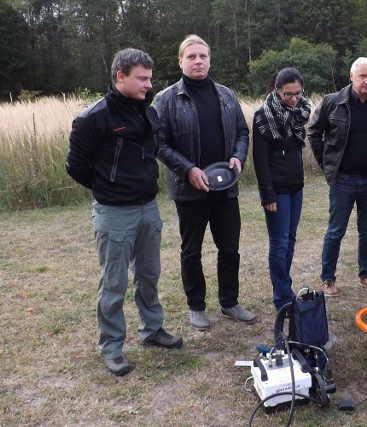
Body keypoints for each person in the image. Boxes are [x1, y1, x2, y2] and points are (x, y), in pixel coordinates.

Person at [66, 48, 183, 377]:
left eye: (150, 77)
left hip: (148, 208)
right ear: (121, 77)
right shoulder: (93, 118)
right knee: (114, 282)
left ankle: (152, 330)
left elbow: (153, 150)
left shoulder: (148, 112)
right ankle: (112, 346)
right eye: (142, 78)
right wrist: (109, 187)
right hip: (114, 212)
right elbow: (76, 167)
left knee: (149, 274)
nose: (149, 84)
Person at [154, 35, 256, 330]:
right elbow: (159, 144)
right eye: (191, 57)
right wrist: (188, 170)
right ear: (180, 61)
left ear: (209, 60)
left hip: (225, 188)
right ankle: (196, 306)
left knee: (230, 248)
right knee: (191, 250)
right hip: (189, 191)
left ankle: (230, 302)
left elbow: (241, 131)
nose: (198, 61)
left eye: (203, 56)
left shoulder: (226, 95)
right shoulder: (167, 99)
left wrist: (238, 156)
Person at [308, 57, 367, 297]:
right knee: (335, 231)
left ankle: (366, 275)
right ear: (351, 76)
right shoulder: (332, 102)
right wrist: (326, 164)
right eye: (362, 76)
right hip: (342, 179)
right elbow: (314, 132)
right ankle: (328, 279)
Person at [252, 68, 311, 310]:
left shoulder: (300, 112)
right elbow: (260, 158)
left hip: (296, 185)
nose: (294, 99)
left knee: (290, 239)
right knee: (279, 241)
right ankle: (282, 298)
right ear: (276, 90)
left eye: (298, 93)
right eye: (288, 95)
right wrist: (268, 194)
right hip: (276, 189)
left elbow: (296, 146)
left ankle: (284, 287)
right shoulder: (263, 116)